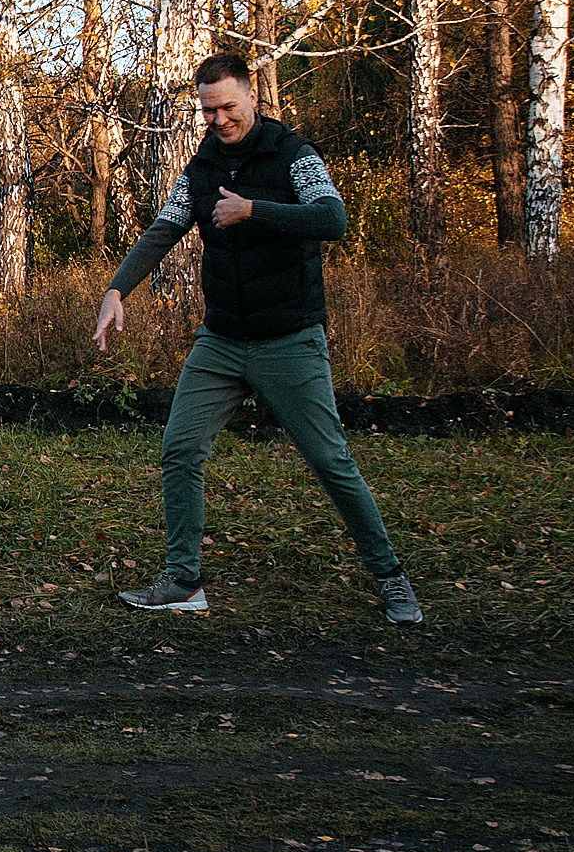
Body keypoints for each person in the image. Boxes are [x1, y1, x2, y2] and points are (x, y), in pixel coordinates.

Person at [92, 55, 425, 626]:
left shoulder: (294, 155)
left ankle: (391, 576)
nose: (219, 119)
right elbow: (165, 229)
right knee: (180, 448)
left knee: (330, 461)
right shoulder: (202, 167)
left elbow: (332, 220)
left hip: (289, 339)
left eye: (228, 107)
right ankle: (184, 580)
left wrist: (253, 210)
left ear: (252, 97)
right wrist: (117, 289)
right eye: (208, 110)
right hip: (221, 340)